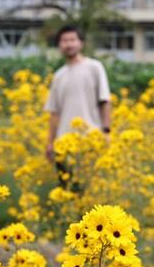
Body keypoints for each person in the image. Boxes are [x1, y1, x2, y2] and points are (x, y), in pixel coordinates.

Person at [44, 25, 112, 191]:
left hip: (90, 139)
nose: (69, 44)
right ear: (59, 45)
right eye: (64, 41)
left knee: (91, 190)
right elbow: (55, 112)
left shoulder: (94, 67)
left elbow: (105, 101)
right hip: (64, 143)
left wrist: (106, 131)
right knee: (67, 190)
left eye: (72, 40)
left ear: (81, 43)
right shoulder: (59, 76)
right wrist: (50, 142)